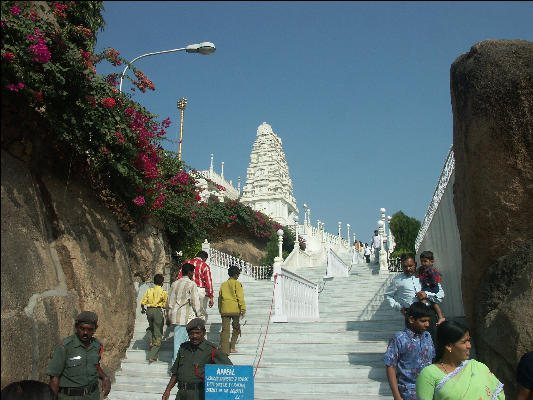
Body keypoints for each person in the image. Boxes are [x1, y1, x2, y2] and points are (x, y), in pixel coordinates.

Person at [416, 321, 505, 399]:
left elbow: (497, 395)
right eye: (464, 342)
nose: (469, 346)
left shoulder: (478, 367)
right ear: (449, 346)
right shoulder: (429, 374)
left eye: (469, 341)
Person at [162, 318, 232, 400]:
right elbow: (176, 373)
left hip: (199, 395)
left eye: (198, 333)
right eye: (191, 333)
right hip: (181, 394)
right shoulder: (183, 348)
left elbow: (229, 371)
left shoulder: (212, 350)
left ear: (204, 333)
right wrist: (167, 390)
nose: (195, 336)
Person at [46, 311, 111, 399]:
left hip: (92, 396)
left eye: (90, 329)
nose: (85, 332)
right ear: (76, 327)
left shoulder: (97, 346)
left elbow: (95, 366)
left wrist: (105, 378)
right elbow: (54, 377)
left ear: (95, 328)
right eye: (82, 328)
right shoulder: (65, 347)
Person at [384, 253, 444, 343]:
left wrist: (426, 295)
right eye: (405, 266)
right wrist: (398, 306)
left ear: (415, 264)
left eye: (410, 266)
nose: (408, 269)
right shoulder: (397, 280)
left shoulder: (427, 275)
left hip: (429, 313)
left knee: (433, 342)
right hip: (411, 316)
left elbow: (440, 295)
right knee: (414, 345)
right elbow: (388, 295)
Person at [383, 302, 435, 400]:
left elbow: (432, 362)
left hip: (428, 392)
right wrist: (396, 395)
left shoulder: (427, 336)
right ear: (411, 319)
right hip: (408, 393)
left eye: (428, 321)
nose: (427, 324)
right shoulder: (399, 338)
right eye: (423, 321)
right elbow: (390, 366)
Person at [167, 263, 206, 366]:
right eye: (192, 272)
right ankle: (176, 368)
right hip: (184, 317)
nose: (193, 274)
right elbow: (195, 301)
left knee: (181, 343)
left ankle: (182, 365)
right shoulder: (191, 284)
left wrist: (168, 316)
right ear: (189, 272)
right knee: (179, 344)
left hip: (175, 317)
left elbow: (169, 302)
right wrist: (200, 316)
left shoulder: (174, 284)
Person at [218, 265, 246, 355]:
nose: (238, 276)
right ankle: (232, 347)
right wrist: (243, 309)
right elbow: (240, 297)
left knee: (225, 331)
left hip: (225, 309)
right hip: (235, 309)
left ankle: (225, 350)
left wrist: (220, 310)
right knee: (236, 328)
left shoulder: (223, 284)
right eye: (238, 274)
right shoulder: (237, 284)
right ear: (235, 275)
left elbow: (219, 299)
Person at [178, 251, 214, 320]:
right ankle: (200, 328)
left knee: (189, 312)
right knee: (201, 312)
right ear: (205, 258)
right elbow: (208, 282)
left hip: (187, 289)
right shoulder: (205, 266)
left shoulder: (186, 263)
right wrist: (211, 296)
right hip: (199, 290)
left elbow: (179, 277)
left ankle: (189, 328)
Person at [140, 273, 168, 363]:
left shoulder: (149, 291)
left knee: (150, 327)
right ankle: (153, 356)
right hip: (157, 311)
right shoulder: (163, 292)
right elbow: (165, 305)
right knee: (158, 333)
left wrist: (142, 309)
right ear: (162, 283)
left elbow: (142, 302)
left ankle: (151, 340)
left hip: (149, 310)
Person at [418, 251, 446, 326]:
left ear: (431, 261)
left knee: (430, 301)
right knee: (428, 301)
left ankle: (440, 316)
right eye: (422, 261)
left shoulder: (432, 270)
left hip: (432, 287)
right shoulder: (422, 268)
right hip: (426, 286)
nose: (423, 263)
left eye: (425, 261)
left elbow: (437, 279)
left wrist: (430, 283)